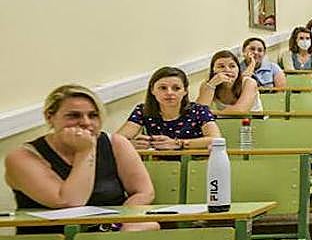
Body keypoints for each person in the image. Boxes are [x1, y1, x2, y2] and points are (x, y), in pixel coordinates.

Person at [6, 85, 157, 229]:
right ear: (50, 117)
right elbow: (70, 202)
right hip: (50, 239)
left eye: (93, 115)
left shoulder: (116, 143)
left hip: (110, 231)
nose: (86, 122)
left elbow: (144, 192)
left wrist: (117, 223)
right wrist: (84, 152)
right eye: (73, 116)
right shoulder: (22, 157)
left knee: (146, 226)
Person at [118, 67, 220, 150]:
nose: (169, 93)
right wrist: (130, 144)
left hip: (195, 163)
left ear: (185, 91)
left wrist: (178, 143)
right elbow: (118, 140)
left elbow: (216, 140)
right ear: (152, 90)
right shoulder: (142, 110)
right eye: (163, 88)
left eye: (176, 88)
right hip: (157, 164)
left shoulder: (199, 110)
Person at [196, 50, 262, 115]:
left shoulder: (249, 82)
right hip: (224, 121)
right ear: (213, 70)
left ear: (238, 69)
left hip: (254, 120)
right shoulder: (207, 84)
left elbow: (240, 110)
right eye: (221, 66)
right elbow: (199, 111)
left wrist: (213, 114)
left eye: (232, 66)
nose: (227, 70)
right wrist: (212, 84)